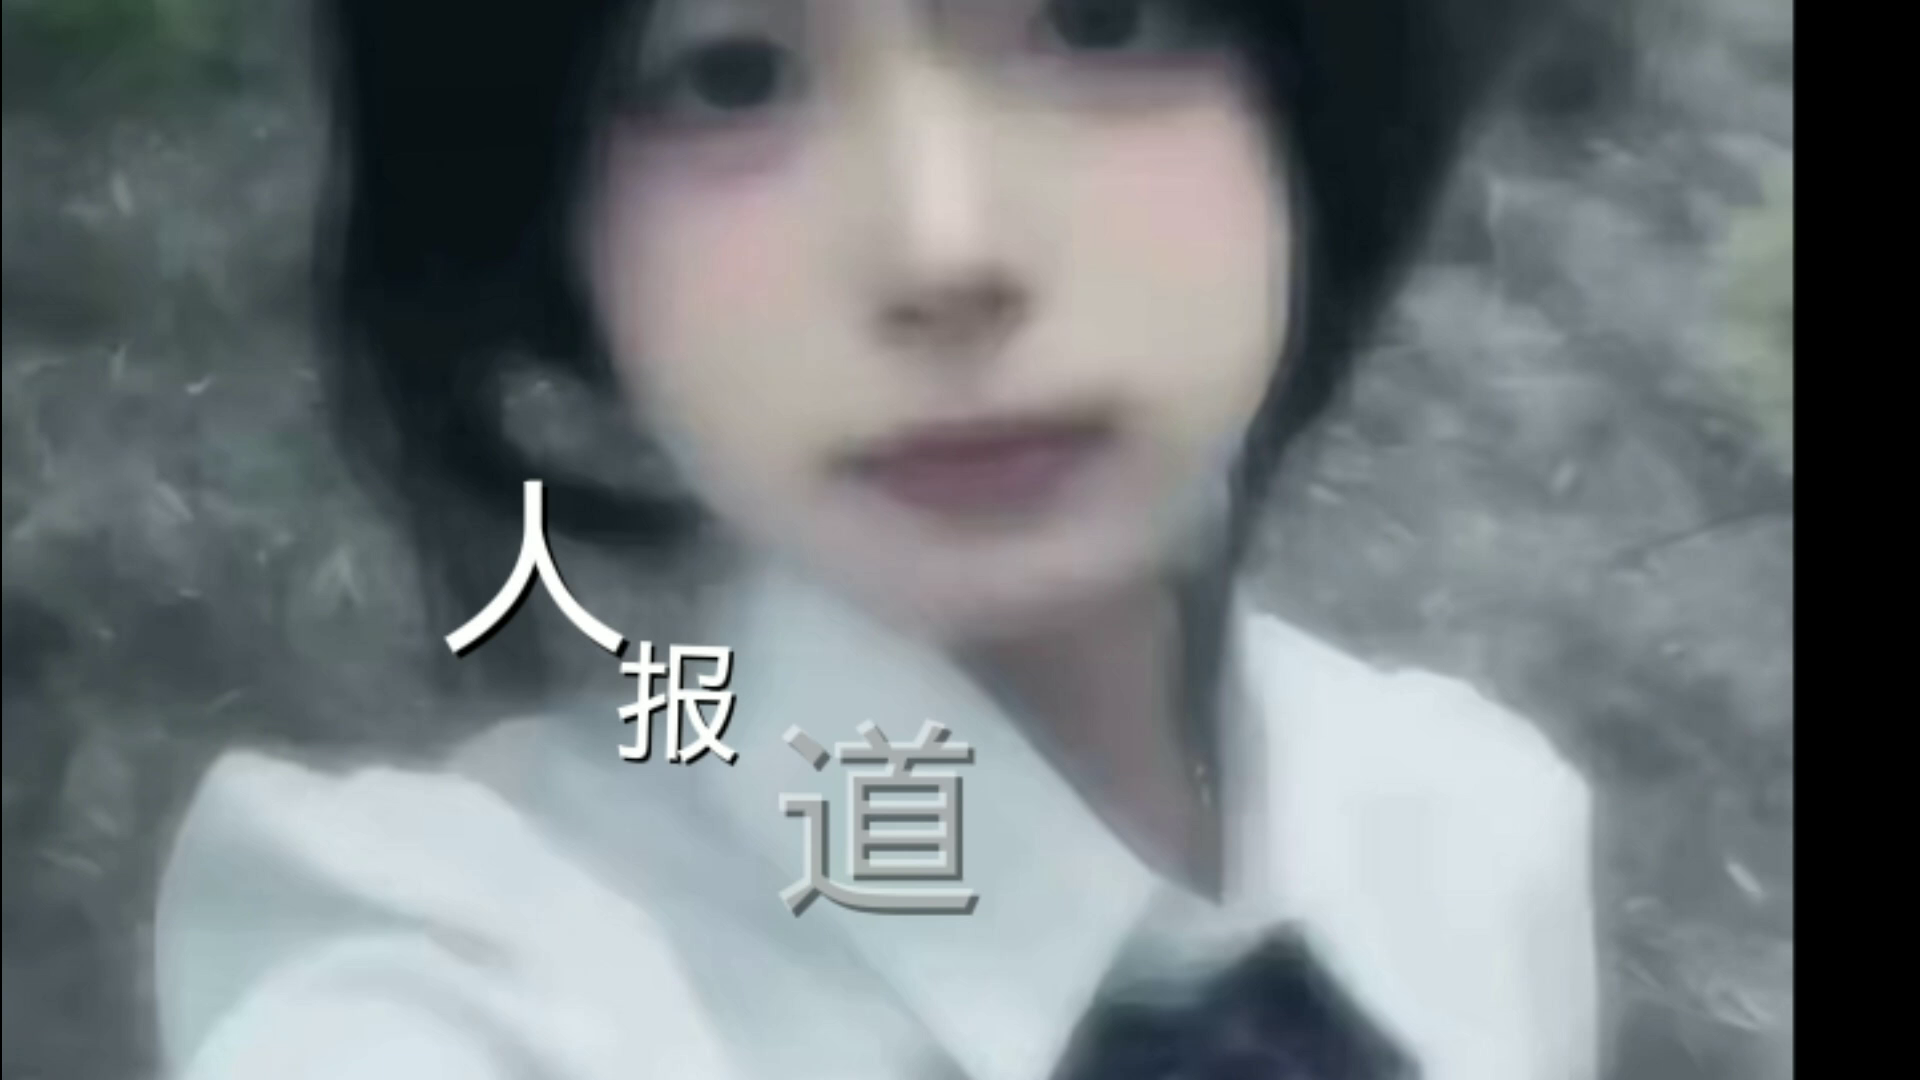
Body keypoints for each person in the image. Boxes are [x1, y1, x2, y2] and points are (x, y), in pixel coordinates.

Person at [153, 1, 1599, 1077]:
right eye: (727, 76)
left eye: (1101, 20)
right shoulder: (476, 962)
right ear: (554, 228)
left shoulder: (1472, 830)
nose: (940, 248)